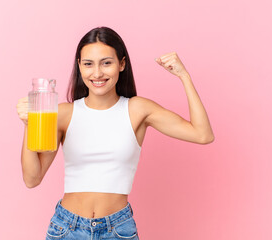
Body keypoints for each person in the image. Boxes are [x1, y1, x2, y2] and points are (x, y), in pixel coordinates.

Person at [16, 26, 214, 240]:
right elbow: (32, 178)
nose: (97, 73)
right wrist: (29, 124)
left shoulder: (138, 110)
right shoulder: (63, 113)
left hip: (117, 230)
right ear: (79, 67)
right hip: (66, 228)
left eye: (106, 63)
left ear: (122, 64)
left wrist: (184, 76)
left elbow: (203, 134)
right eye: (88, 64)